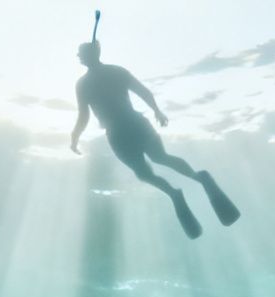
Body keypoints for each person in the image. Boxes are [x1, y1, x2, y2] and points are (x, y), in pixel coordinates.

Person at [69, 39, 239, 238]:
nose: (78, 56)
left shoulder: (94, 80)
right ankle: (186, 186)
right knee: (150, 166)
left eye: (81, 53)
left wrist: (157, 110)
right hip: (126, 129)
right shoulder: (98, 78)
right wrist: (74, 136)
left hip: (126, 129)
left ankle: (189, 184)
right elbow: (87, 113)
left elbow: (137, 93)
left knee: (154, 163)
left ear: (92, 53)